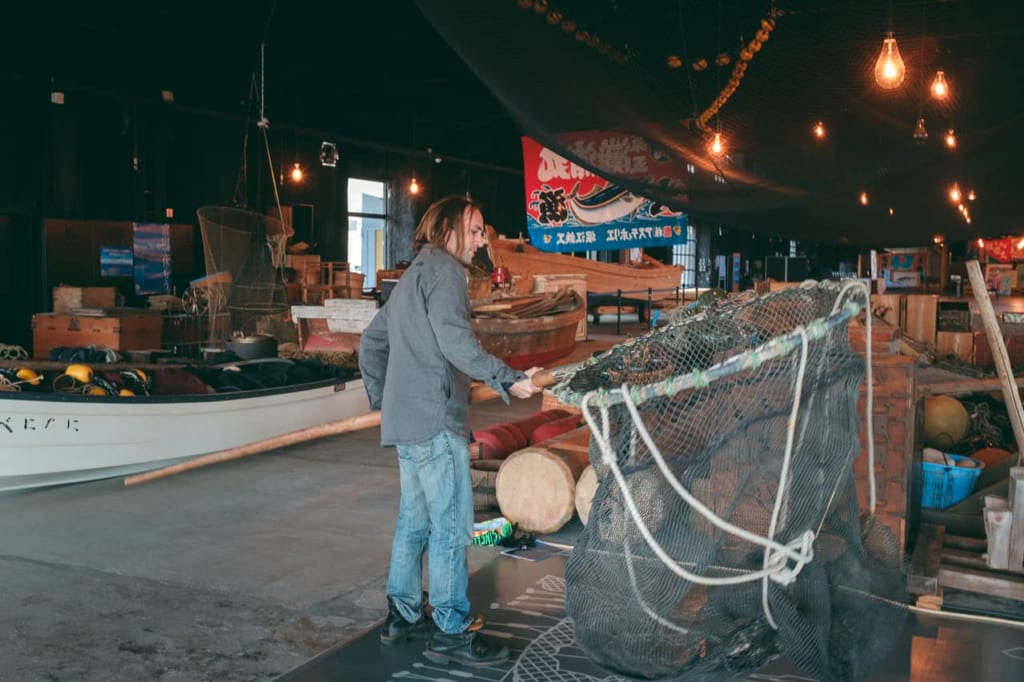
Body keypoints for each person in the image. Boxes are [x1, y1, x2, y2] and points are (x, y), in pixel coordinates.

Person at [359, 195, 543, 667]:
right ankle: (452, 629)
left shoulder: (411, 277)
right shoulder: (445, 274)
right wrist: (509, 378)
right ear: (447, 230)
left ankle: (402, 616)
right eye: (476, 229)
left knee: (413, 522)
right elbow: (456, 343)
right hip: (436, 425)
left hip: (407, 424)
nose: (483, 240)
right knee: (448, 527)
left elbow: (371, 342)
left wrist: (387, 400)